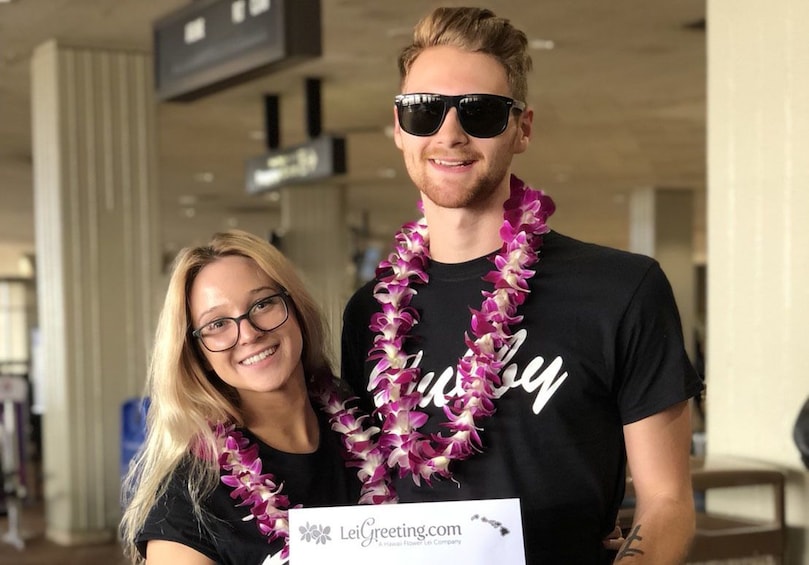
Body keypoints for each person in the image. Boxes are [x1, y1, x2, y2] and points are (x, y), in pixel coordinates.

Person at [341, 7, 704, 564]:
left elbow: (668, 502)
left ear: (522, 129)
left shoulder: (621, 290)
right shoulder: (367, 312)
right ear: (398, 127)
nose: (450, 132)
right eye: (424, 111)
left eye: (482, 112)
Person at [120, 230, 392, 565]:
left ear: (295, 308)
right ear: (197, 352)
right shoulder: (190, 492)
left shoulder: (367, 425)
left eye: (263, 304)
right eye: (217, 324)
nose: (249, 333)